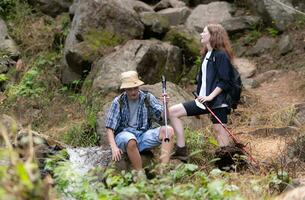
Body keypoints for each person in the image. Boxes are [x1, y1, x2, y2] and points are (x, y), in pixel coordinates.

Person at [169, 23, 235, 162]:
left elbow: (225, 81)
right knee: (172, 112)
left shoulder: (221, 55)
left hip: (217, 101)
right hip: (202, 100)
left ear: (213, 35)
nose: (201, 34)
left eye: (204, 32)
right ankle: (181, 150)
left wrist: (210, 96)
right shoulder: (206, 54)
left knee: (219, 132)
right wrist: (201, 94)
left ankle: (228, 166)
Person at [105, 70, 174, 171]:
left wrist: (165, 104)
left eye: (135, 88)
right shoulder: (118, 102)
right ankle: (140, 173)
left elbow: (165, 118)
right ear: (125, 89)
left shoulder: (147, 98)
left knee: (169, 131)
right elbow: (110, 128)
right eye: (130, 89)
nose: (133, 92)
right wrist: (114, 147)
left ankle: (162, 171)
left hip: (143, 135)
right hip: (124, 137)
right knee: (131, 140)